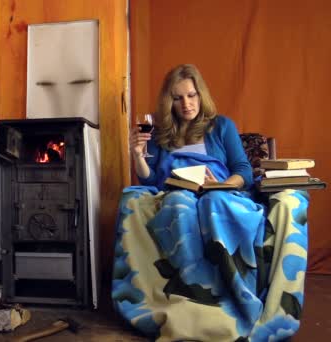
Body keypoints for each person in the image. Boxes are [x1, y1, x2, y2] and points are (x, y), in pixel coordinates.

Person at [112, 64, 309, 341]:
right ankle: (189, 297)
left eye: (191, 95)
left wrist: (219, 185)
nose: (186, 104)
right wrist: (137, 156)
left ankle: (232, 295)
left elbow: (242, 170)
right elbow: (152, 183)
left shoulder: (221, 126)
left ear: (200, 94)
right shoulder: (159, 132)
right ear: (169, 100)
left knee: (213, 203)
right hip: (178, 192)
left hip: (219, 191)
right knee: (176, 201)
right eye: (178, 98)